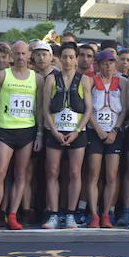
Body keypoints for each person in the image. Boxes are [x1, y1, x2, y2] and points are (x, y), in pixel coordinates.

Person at [0, 41, 43, 231]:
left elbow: (40, 108)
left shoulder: (37, 79)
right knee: (0, 172)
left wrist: (40, 133)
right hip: (5, 130)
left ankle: (12, 215)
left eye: (23, 54)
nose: (20, 57)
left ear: (29, 55)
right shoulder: (2, 75)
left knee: (21, 175)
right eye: (16, 54)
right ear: (12, 56)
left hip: (27, 130)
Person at [40, 42, 93, 229]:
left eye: (71, 57)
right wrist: (53, 131)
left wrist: (77, 130)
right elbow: (45, 108)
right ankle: (54, 213)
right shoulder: (51, 79)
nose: (68, 61)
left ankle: (70, 213)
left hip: (76, 132)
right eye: (65, 57)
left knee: (74, 172)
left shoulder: (85, 80)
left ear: (76, 58)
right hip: (55, 130)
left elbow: (88, 109)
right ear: (59, 58)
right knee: (53, 171)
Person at [85, 49, 128, 228]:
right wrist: (99, 131)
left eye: (111, 62)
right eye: (104, 62)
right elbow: (88, 109)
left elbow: (125, 109)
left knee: (112, 174)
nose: (108, 65)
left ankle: (106, 214)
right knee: (94, 173)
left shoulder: (122, 82)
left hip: (114, 131)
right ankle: (94, 214)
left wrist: (115, 131)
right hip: (95, 131)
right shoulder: (90, 81)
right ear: (98, 64)